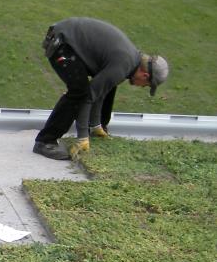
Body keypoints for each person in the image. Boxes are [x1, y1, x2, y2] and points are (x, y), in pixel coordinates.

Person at [33, 17, 169, 160]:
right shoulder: (123, 64)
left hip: (70, 42)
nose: (142, 87)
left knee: (108, 84)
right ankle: (45, 141)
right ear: (145, 74)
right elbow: (89, 96)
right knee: (79, 92)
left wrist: (96, 125)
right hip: (62, 43)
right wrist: (82, 137)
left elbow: (101, 89)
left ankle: (97, 126)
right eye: (146, 85)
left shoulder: (131, 60)